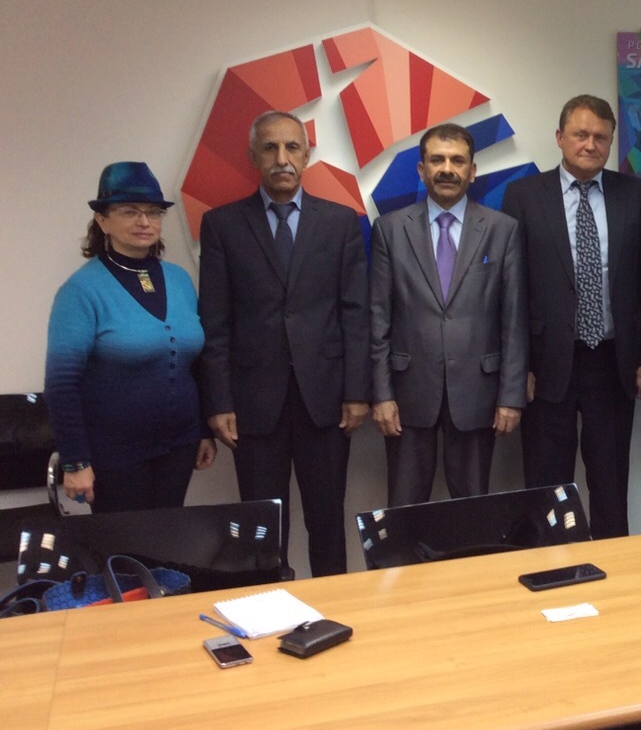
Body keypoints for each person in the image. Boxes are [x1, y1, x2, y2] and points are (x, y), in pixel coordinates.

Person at [199, 110, 369, 576]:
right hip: (253, 404)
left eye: (292, 147)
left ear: (307, 156)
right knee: (263, 530)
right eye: (270, 148)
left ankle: (333, 606)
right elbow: (214, 323)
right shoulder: (222, 225)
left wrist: (357, 392)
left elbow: (355, 314)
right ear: (253, 156)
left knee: (327, 522)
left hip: (326, 401)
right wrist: (219, 401)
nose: (282, 159)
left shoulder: (340, 222)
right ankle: (270, 606)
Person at [501, 94, 641, 538]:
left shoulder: (635, 194)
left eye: (600, 137)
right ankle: (551, 565)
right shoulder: (523, 195)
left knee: (610, 482)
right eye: (580, 134)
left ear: (610, 142)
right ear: (560, 137)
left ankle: (615, 567)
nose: (590, 145)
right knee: (546, 486)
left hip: (613, 363)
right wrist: (519, 367)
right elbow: (511, 289)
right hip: (546, 364)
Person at [370, 123, 528, 505]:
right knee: (404, 508)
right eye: (437, 160)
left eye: (457, 161)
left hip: (478, 393)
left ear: (472, 171)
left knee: (473, 508)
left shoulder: (502, 230)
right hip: (408, 395)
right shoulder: (389, 229)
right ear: (421, 169)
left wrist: (511, 396)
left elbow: (513, 321)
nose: (447, 169)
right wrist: (381, 394)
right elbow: (378, 319)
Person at [45, 162, 216, 512]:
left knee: (168, 536)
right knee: (125, 544)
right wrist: (75, 462)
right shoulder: (81, 291)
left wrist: (203, 430)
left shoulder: (180, 280)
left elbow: (194, 365)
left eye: (153, 212)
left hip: (180, 446)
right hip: (114, 455)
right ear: (102, 220)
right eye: (129, 211)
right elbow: (62, 383)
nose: (144, 221)